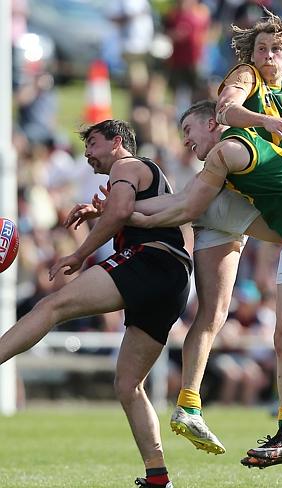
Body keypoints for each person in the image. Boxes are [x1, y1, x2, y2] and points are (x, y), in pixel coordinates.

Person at [161, 7, 282, 456]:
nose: (268, 56)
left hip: (255, 192)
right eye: (261, 49)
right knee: (222, 308)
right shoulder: (245, 77)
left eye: (276, 49)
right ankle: (199, 405)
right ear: (250, 56)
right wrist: (268, 122)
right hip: (241, 184)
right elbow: (227, 109)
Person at [130, 99, 282, 467]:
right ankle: (276, 426)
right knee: (280, 338)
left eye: (188, 130)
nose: (184, 141)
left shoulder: (230, 147)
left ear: (213, 124)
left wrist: (128, 215)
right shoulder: (236, 149)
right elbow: (185, 201)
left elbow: (186, 208)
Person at [0, 119, 192, 488]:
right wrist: (100, 213)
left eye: (92, 144)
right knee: (129, 384)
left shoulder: (127, 165)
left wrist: (80, 254)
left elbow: (121, 212)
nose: (87, 153)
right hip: (174, 279)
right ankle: (158, 477)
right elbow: (128, 212)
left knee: (50, 307)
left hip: (150, 262)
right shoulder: (143, 174)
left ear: (117, 142)